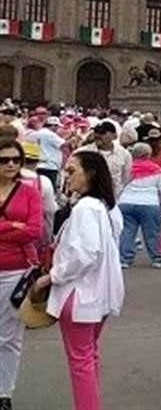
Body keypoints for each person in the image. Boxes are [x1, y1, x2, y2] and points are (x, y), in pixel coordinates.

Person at [33, 150, 124, 410]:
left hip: (80, 293)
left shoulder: (85, 208)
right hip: (98, 292)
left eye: (72, 171)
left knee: (80, 361)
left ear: (91, 174)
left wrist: (50, 277)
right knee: (88, 357)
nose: (66, 175)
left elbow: (85, 254)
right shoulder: (103, 207)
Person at [0, 140, 44, 409]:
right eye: (4, 160)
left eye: (16, 160)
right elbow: (23, 229)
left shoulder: (29, 192)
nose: (11, 164)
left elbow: (34, 231)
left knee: (9, 336)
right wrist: (11, 225)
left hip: (16, 270)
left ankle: (4, 391)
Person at [117, 142, 161, 268]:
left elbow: (119, 186)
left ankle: (125, 259)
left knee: (127, 232)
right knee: (152, 233)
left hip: (126, 202)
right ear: (148, 154)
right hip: (149, 204)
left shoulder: (128, 169)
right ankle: (156, 258)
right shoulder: (156, 170)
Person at [75, 121, 132, 196]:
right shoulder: (83, 152)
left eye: (102, 133)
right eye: (96, 132)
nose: (98, 135)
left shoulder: (124, 154)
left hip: (114, 197)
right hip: (89, 197)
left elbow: (126, 178)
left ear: (114, 136)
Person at [19, 141, 57, 241]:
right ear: (36, 162)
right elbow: (49, 211)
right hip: (33, 236)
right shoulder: (44, 182)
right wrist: (49, 236)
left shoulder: (6, 179)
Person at [23, 116, 66, 189]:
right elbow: (64, 145)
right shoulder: (50, 134)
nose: (58, 129)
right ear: (52, 126)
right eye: (57, 126)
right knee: (50, 189)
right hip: (50, 166)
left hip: (39, 164)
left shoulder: (38, 133)